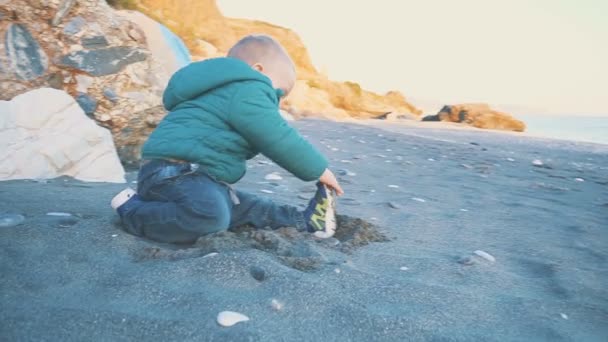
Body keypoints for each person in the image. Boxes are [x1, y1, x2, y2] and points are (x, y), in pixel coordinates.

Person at [110, 34, 344, 244]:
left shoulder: (226, 90)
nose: (276, 101)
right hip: (174, 172)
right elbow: (276, 136)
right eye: (278, 93)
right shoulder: (248, 87)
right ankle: (133, 211)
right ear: (258, 70)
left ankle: (306, 221)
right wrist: (319, 170)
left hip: (199, 178)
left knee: (247, 208)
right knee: (210, 217)